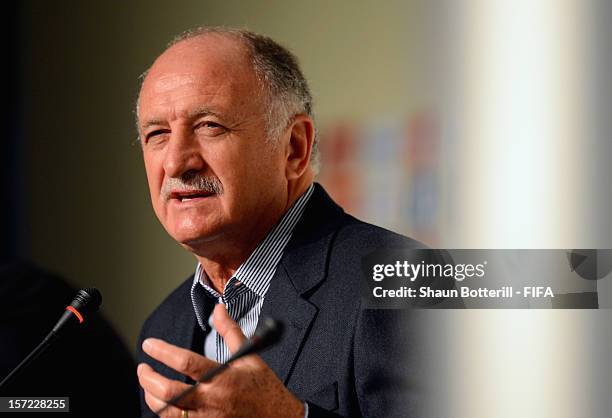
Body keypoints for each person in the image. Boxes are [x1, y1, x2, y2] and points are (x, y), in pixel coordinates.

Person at [136, 27, 426, 418]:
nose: (175, 162)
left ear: (294, 148)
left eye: (209, 126)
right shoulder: (163, 329)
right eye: (157, 134)